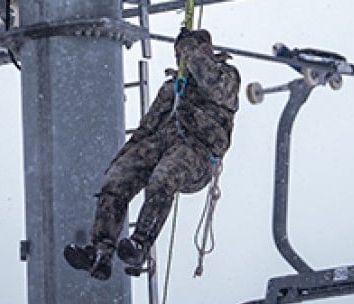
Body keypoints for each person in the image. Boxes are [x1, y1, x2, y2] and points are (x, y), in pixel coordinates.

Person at [63, 28, 241, 280]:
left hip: (198, 152)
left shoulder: (226, 77)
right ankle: (100, 251)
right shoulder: (173, 89)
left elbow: (212, 83)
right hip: (164, 143)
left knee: (163, 178)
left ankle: (140, 243)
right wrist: (123, 160)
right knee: (117, 179)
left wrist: (191, 50)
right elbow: (147, 129)